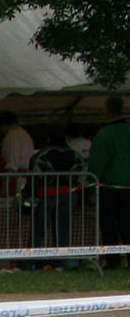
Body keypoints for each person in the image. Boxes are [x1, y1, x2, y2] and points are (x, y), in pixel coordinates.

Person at [28, 127, 83, 271]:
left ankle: (27, 264)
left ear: (49, 138)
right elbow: (82, 176)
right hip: (69, 195)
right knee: (62, 231)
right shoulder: (74, 155)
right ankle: (61, 264)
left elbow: (34, 176)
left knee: (38, 232)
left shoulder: (42, 155)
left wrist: (29, 194)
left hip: (47, 195)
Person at [90, 95, 130, 271]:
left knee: (109, 226)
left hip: (109, 188)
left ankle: (113, 262)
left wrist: (91, 185)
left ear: (107, 111)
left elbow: (97, 165)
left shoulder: (104, 134)